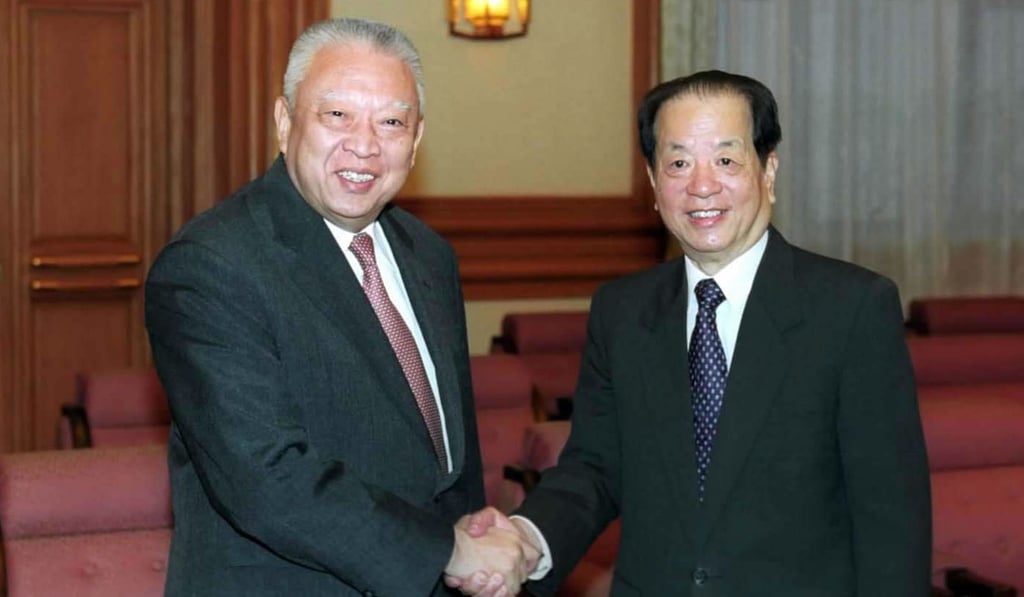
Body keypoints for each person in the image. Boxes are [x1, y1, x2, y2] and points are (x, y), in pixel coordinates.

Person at [459, 70, 932, 595]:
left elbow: (891, 518)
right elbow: (596, 467)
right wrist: (526, 539)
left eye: (726, 160)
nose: (702, 185)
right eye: (679, 162)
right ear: (653, 182)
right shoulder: (622, 311)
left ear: (768, 170)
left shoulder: (851, 309)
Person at [145, 17, 537, 596]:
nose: (365, 144)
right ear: (284, 122)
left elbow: (447, 459)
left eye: (391, 122)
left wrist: (476, 549)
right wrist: (449, 551)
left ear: (417, 139)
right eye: (337, 115)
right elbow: (266, 479)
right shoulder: (210, 265)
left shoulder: (429, 256)